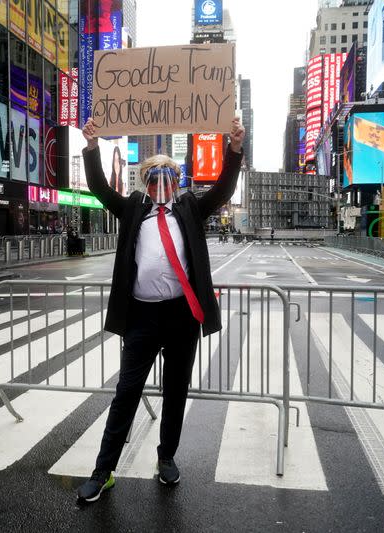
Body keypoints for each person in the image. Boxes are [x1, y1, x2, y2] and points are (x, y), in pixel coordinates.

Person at [75, 117, 245, 503]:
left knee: (175, 391)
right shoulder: (134, 208)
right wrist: (91, 147)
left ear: (179, 179)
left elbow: (222, 190)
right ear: (144, 181)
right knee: (126, 392)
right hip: (141, 317)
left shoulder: (189, 208)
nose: (161, 183)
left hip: (182, 316)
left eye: (168, 175)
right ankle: (103, 470)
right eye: (153, 176)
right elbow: (101, 188)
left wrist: (233, 149)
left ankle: (166, 456)